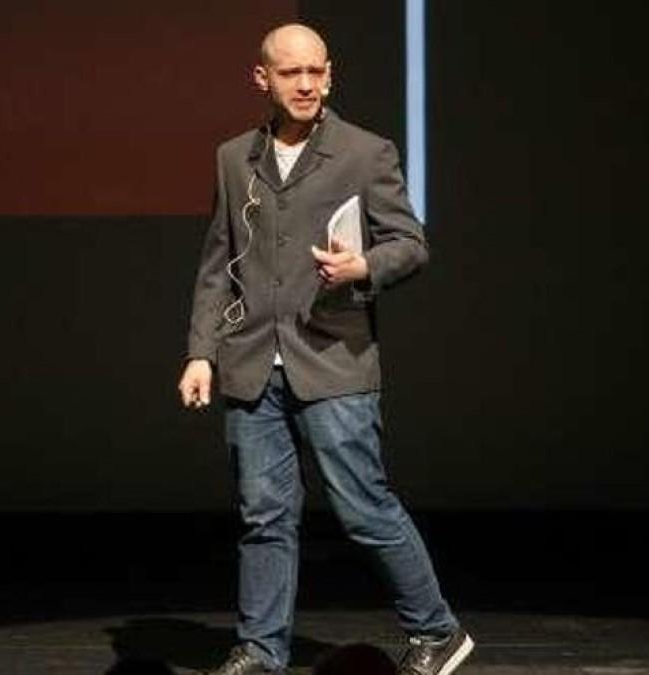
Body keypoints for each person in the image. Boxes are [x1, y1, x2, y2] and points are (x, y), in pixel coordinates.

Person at [178, 23, 472, 675]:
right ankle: (260, 647)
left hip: (333, 358)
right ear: (263, 79)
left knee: (364, 508)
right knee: (263, 516)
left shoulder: (365, 152)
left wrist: (362, 266)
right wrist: (202, 351)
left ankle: (438, 629)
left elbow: (411, 244)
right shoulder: (235, 158)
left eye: (316, 72)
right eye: (291, 73)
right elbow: (218, 262)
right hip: (253, 361)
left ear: (330, 74)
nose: (306, 84)